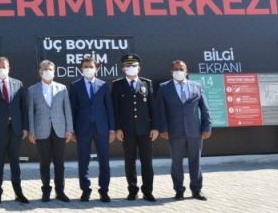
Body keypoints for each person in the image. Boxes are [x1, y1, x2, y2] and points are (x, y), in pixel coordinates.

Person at [157, 60, 212, 201]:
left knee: (195, 161)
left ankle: (196, 190)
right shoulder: (164, 88)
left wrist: (207, 127)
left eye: (181, 69)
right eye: (175, 69)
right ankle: (179, 190)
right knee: (176, 162)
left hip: (195, 131)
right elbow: (160, 111)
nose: (178, 71)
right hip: (174, 131)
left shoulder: (196, 86)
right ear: (171, 72)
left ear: (186, 71)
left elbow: (205, 108)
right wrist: (163, 128)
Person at [111, 54, 161, 201]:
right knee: (129, 161)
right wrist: (118, 128)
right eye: (128, 66)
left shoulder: (146, 83)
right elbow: (115, 109)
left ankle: (148, 191)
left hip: (145, 130)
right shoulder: (117, 85)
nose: (131, 68)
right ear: (123, 68)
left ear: (139, 68)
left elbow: (153, 108)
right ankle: (132, 190)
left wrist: (155, 127)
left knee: (147, 162)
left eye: (134, 66)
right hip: (127, 131)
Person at [0, 56, 29, 204]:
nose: (1, 69)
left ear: (9, 68)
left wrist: (25, 127)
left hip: (15, 129)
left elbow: (23, 108)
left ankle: (18, 193)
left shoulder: (18, 84)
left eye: (4, 67)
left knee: (15, 163)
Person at [68, 56, 115, 202]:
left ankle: (104, 191)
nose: (88, 69)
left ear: (97, 69)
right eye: (85, 67)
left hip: (101, 128)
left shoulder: (103, 85)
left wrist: (112, 129)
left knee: (104, 160)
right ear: (81, 69)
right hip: (82, 128)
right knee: (83, 160)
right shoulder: (75, 86)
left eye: (91, 67)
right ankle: (85, 190)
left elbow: (109, 108)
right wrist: (72, 130)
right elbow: (72, 109)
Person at [27, 60, 74, 203]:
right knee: (44, 163)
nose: (47, 71)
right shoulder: (32, 90)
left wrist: (69, 129)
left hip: (60, 130)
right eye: (44, 69)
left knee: (59, 163)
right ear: (39, 72)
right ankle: (46, 192)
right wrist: (31, 131)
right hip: (41, 131)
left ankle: (60, 192)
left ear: (54, 71)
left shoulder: (62, 88)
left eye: (50, 69)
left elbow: (67, 110)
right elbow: (30, 113)